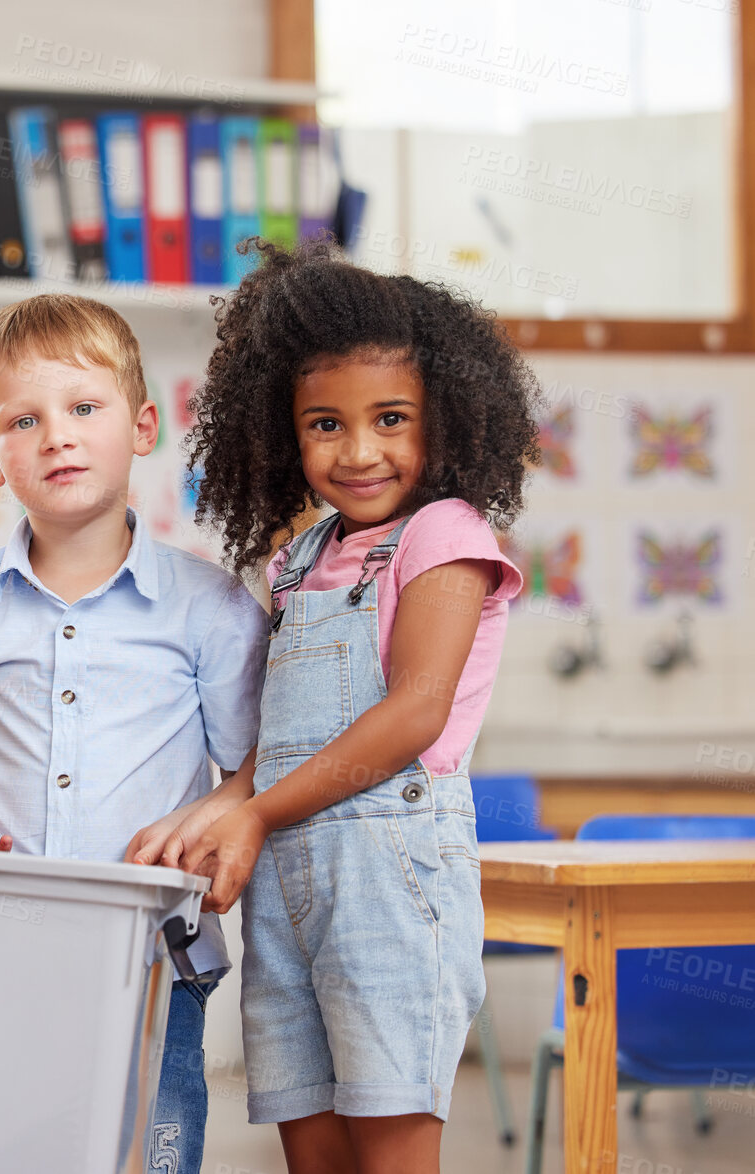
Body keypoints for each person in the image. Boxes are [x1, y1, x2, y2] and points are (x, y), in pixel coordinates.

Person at [164, 240, 539, 1174]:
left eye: (392, 419)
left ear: (445, 420)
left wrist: (253, 813)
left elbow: (413, 714)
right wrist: (217, 808)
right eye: (326, 424)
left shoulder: (446, 534)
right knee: (314, 1146)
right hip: (288, 883)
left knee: (390, 1149)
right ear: (283, 432)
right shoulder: (299, 558)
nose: (359, 451)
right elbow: (285, 734)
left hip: (390, 879)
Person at [0, 294, 269, 1174]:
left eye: (83, 408)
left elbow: (254, 770)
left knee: (153, 1150)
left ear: (142, 426)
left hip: (156, 953)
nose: (57, 436)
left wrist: (205, 820)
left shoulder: (209, 609)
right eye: (24, 421)